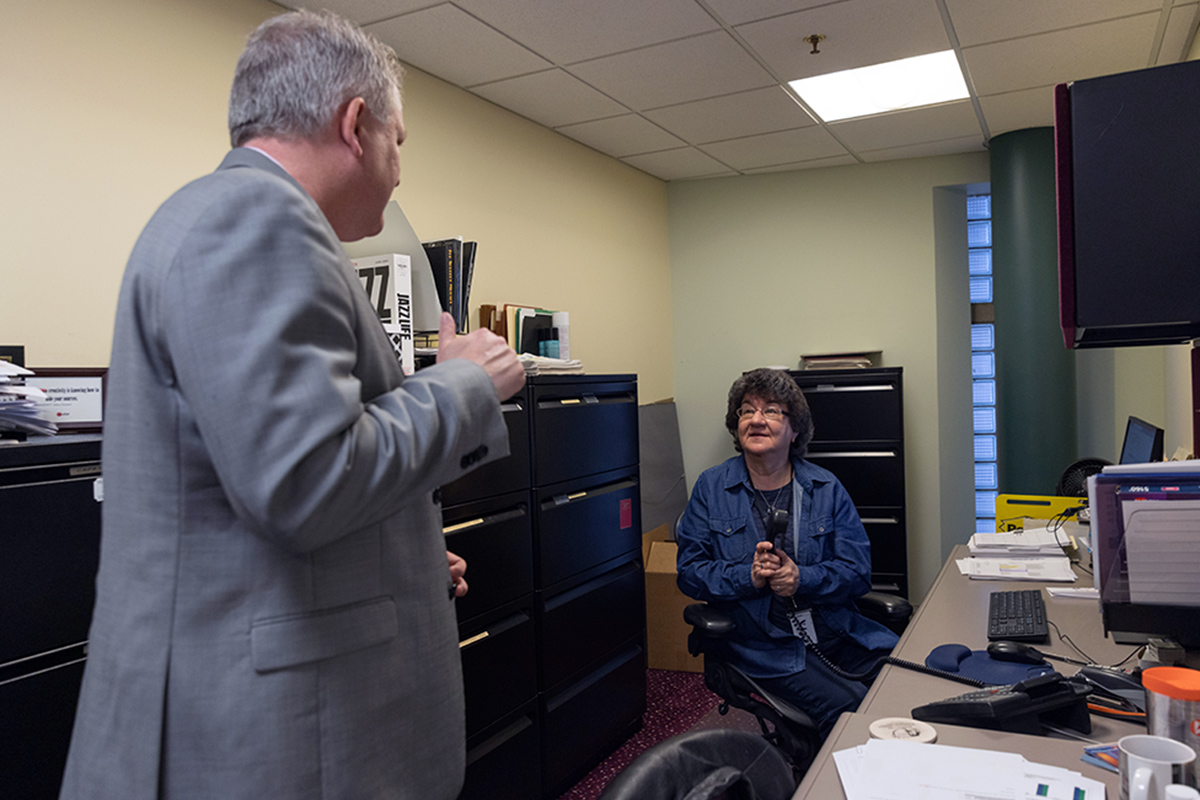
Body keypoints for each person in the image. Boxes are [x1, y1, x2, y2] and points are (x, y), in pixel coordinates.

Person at [59, 10, 524, 800]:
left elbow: (252, 483)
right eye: (398, 142)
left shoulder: (219, 218)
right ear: (355, 124)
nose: (399, 168)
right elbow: (305, 482)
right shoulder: (256, 216)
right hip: (273, 741)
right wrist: (466, 382)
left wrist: (398, 558)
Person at [675, 368, 897, 737]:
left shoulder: (826, 487)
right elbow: (690, 572)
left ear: (795, 430)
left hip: (834, 631)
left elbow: (857, 572)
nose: (757, 420)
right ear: (736, 425)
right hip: (761, 645)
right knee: (851, 708)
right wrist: (746, 576)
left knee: (903, 687)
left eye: (772, 411)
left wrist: (801, 579)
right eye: (747, 411)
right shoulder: (711, 487)